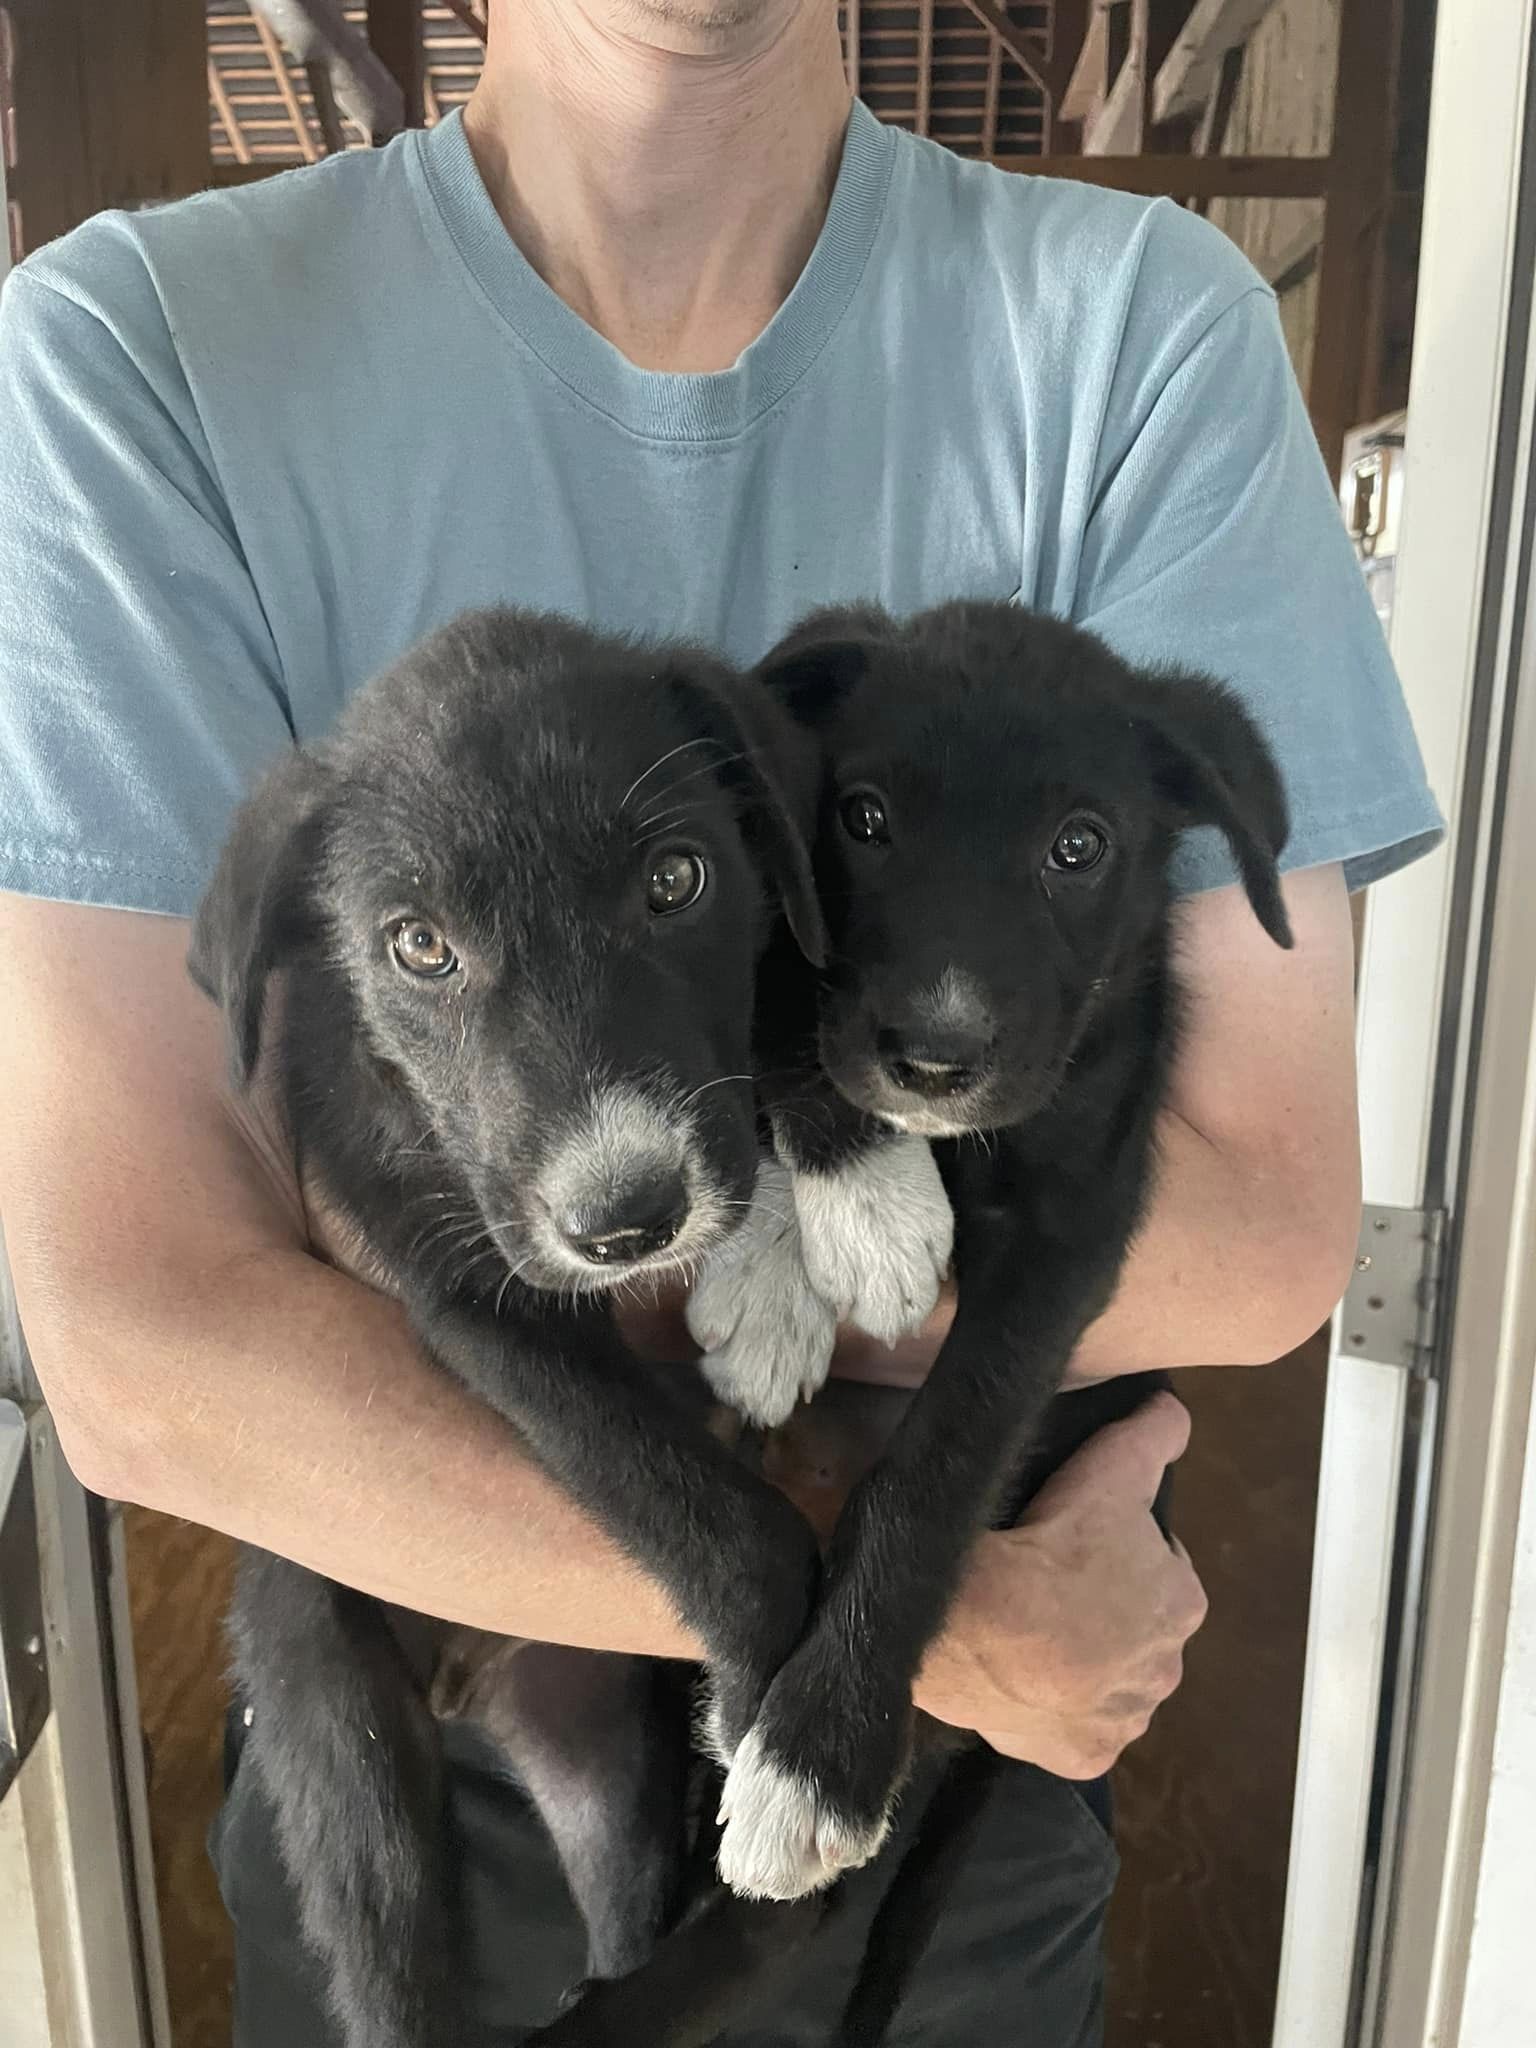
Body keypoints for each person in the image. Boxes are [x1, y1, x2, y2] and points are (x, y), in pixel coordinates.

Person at [0, 2, 1441, 2042]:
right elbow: (145, 1337)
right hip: (471, 1678)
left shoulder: (1144, 336)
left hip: (955, 1788)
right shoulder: (129, 355)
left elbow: (1270, 1212)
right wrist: (902, 1617)